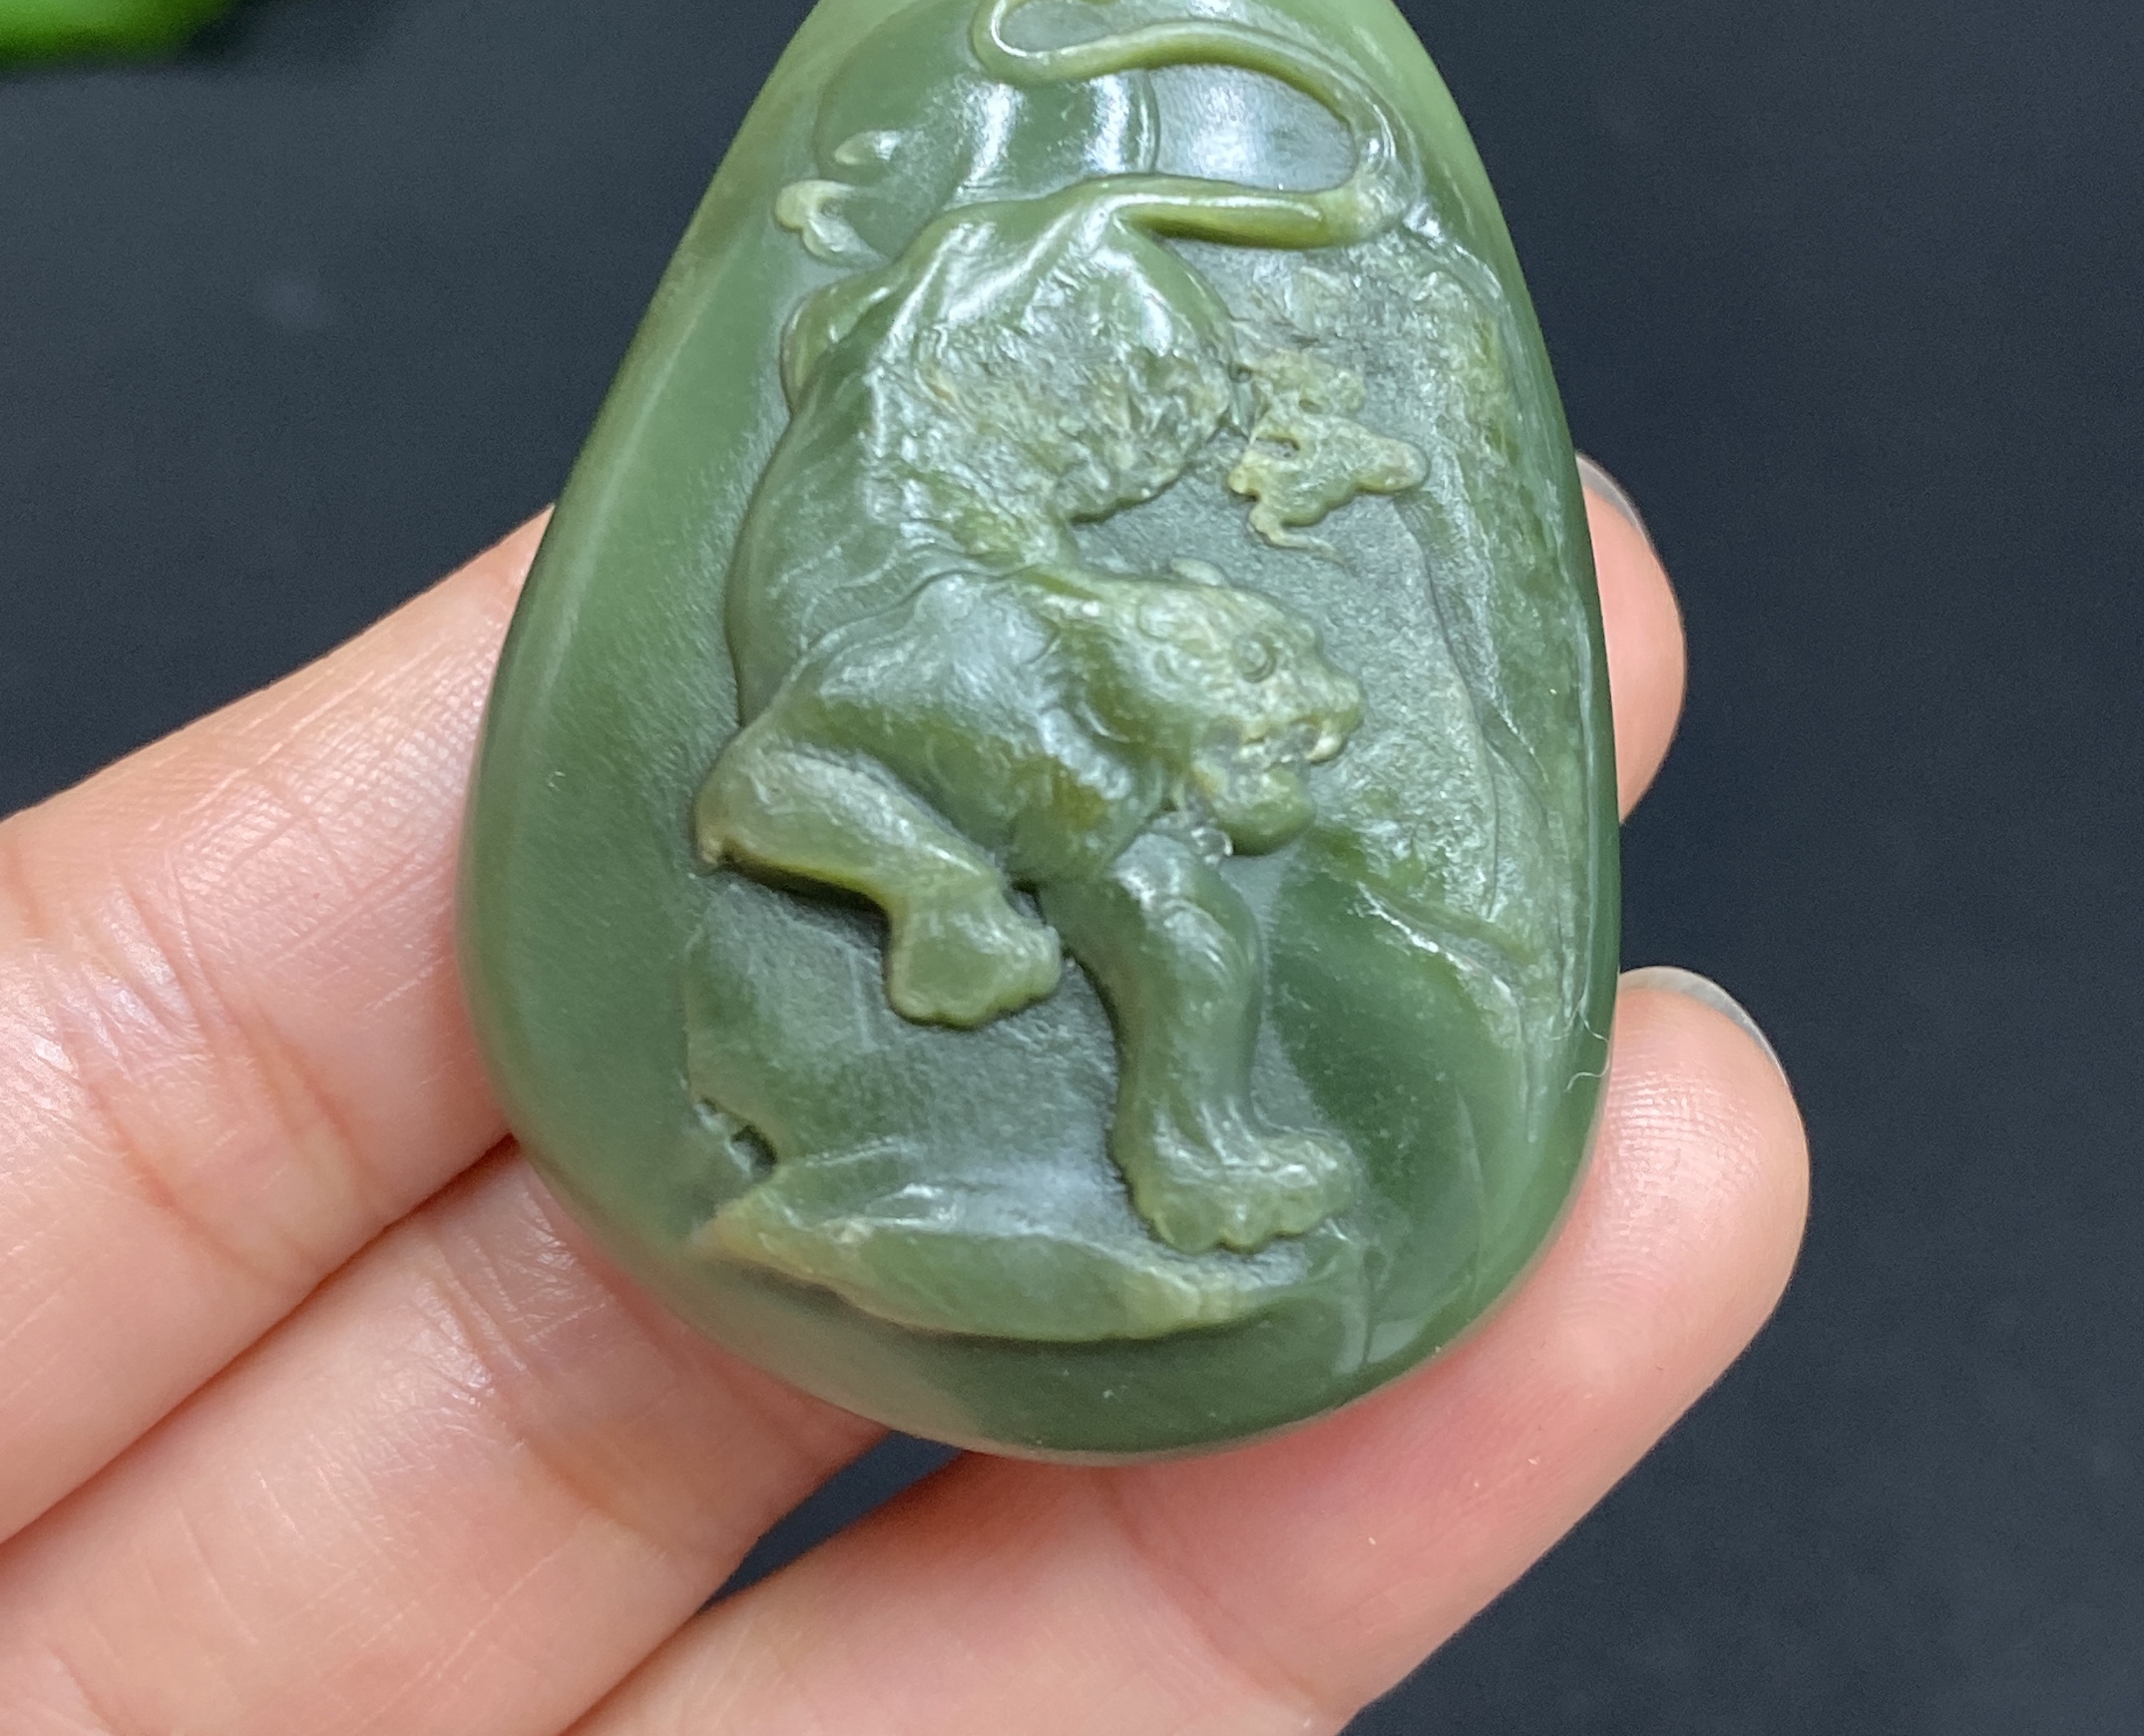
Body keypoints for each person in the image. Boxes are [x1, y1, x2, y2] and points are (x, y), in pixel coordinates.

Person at [0, 456, 1805, 1733]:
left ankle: (1189, 1147)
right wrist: (936, 888)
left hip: (1061, 735)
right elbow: (751, 789)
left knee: (1183, 923)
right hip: (875, 774)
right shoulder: (964, 667)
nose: (1284, 754)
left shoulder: (1114, 712)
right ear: (1165, 655)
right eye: (1261, 708)